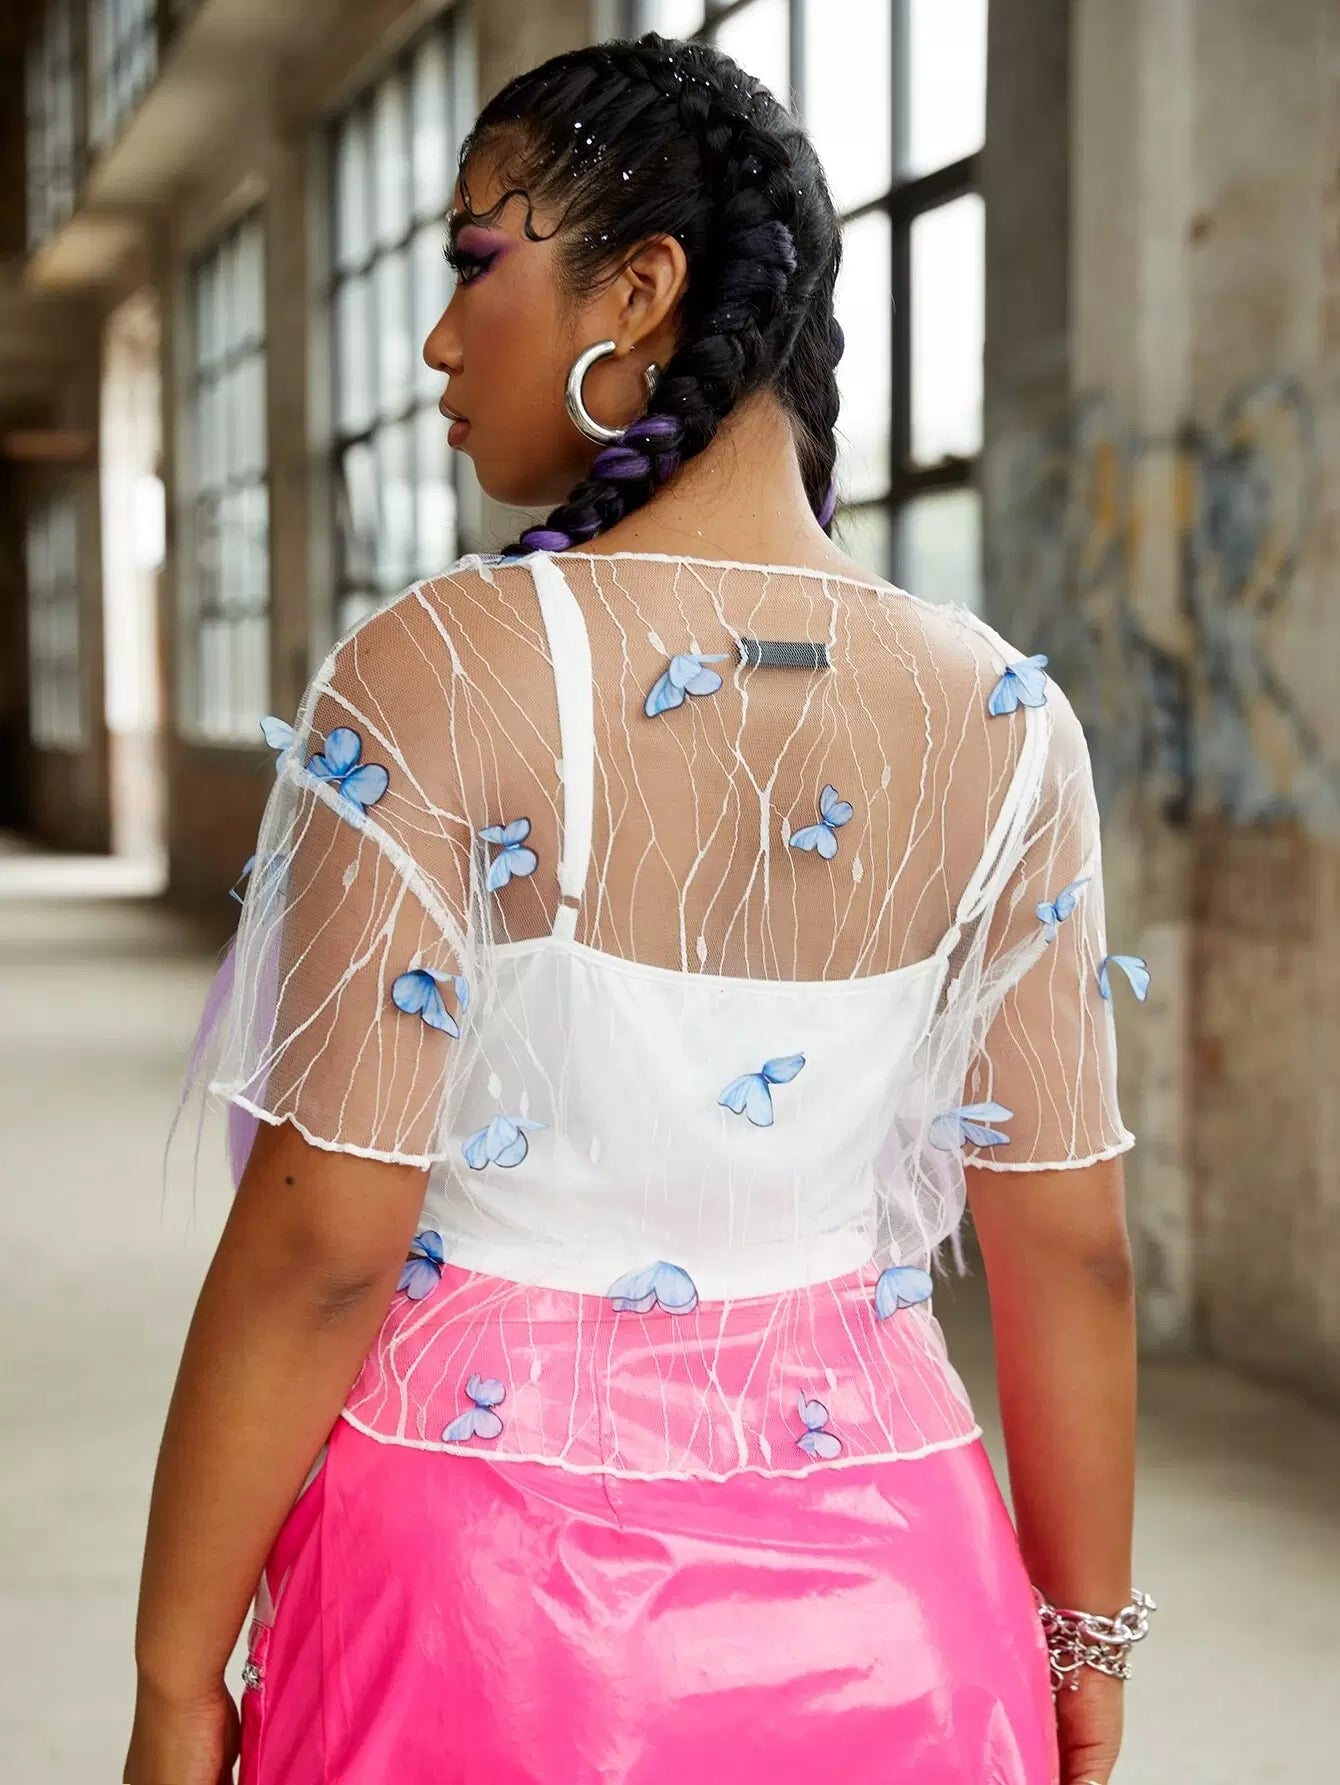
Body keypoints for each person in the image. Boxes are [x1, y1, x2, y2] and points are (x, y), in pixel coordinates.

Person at [124, 32, 1153, 1785]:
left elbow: (322, 1250)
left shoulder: (445, 670)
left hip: (488, 1612)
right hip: (901, 1620)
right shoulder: (1005, 721)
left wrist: (171, 1680)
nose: (439, 341)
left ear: (642, 291)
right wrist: (1085, 1645)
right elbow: (1075, 1252)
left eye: (475, 263)